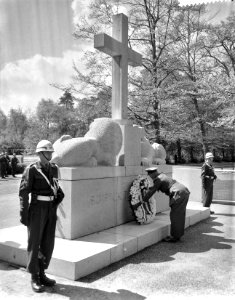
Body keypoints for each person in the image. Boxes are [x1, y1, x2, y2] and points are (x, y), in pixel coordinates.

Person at [19, 140, 64, 293]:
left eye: (51, 152)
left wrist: (58, 198)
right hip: (37, 209)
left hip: (51, 209)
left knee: (47, 242)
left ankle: (42, 273)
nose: (50, 155)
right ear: (40, 153)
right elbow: (24, 193)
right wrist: (24, 214)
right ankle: (34, 276)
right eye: (48, 152)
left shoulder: (54, 168)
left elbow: (56, 187)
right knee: (35, 242)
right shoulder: (32, 170)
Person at [143, 167, 190, 243]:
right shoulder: (162, 175)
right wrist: (148, 188)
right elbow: (157, 186)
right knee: (180, 214)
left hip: (177, 193)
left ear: (153, 173)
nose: (149, 176)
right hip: (183, 191)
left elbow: (152, 191)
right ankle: (177, 235)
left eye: (149, 174)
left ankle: (174, 237)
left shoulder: (158, 179)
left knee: (175, 215)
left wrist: (142, 200)